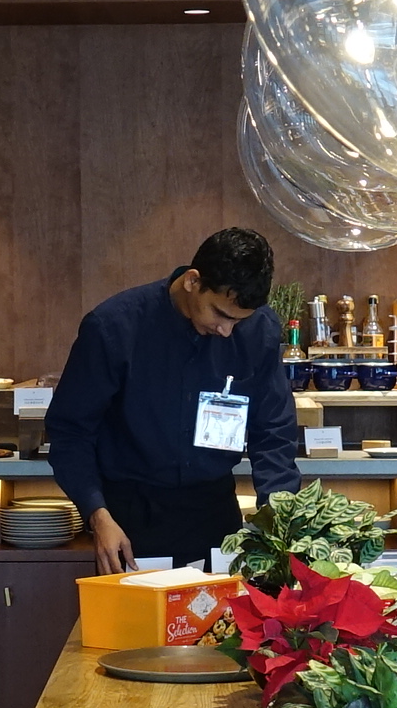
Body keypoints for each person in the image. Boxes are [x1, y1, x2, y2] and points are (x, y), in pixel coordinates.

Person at [44, 228, 303, 576]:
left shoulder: (258, 332)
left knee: (220, 628)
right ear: (193, 281)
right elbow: (70, 431)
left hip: (214, 515)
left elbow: (273, 431)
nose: (226, 331)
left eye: (238, 321)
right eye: (220, 314)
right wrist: (97, 513)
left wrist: (278, 517)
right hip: (130, 518)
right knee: (134, 628)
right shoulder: (115, 327)